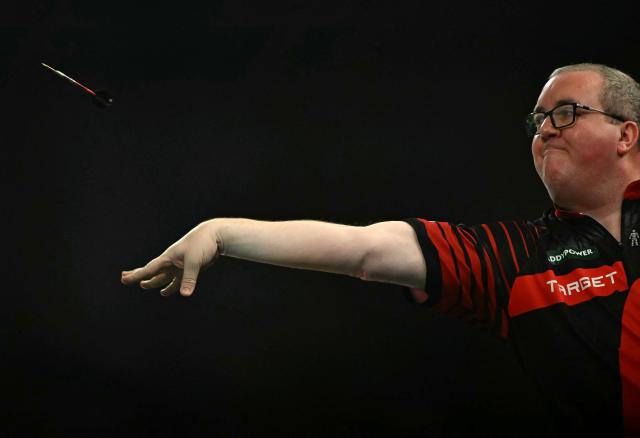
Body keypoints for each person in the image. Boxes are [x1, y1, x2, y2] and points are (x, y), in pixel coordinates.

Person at [121, 63, 640, 436]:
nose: (545, 129)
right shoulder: (514, 258)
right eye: (537, 121)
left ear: (626, 134)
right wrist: (222, 232)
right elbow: (367, 248)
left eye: (566, 112)